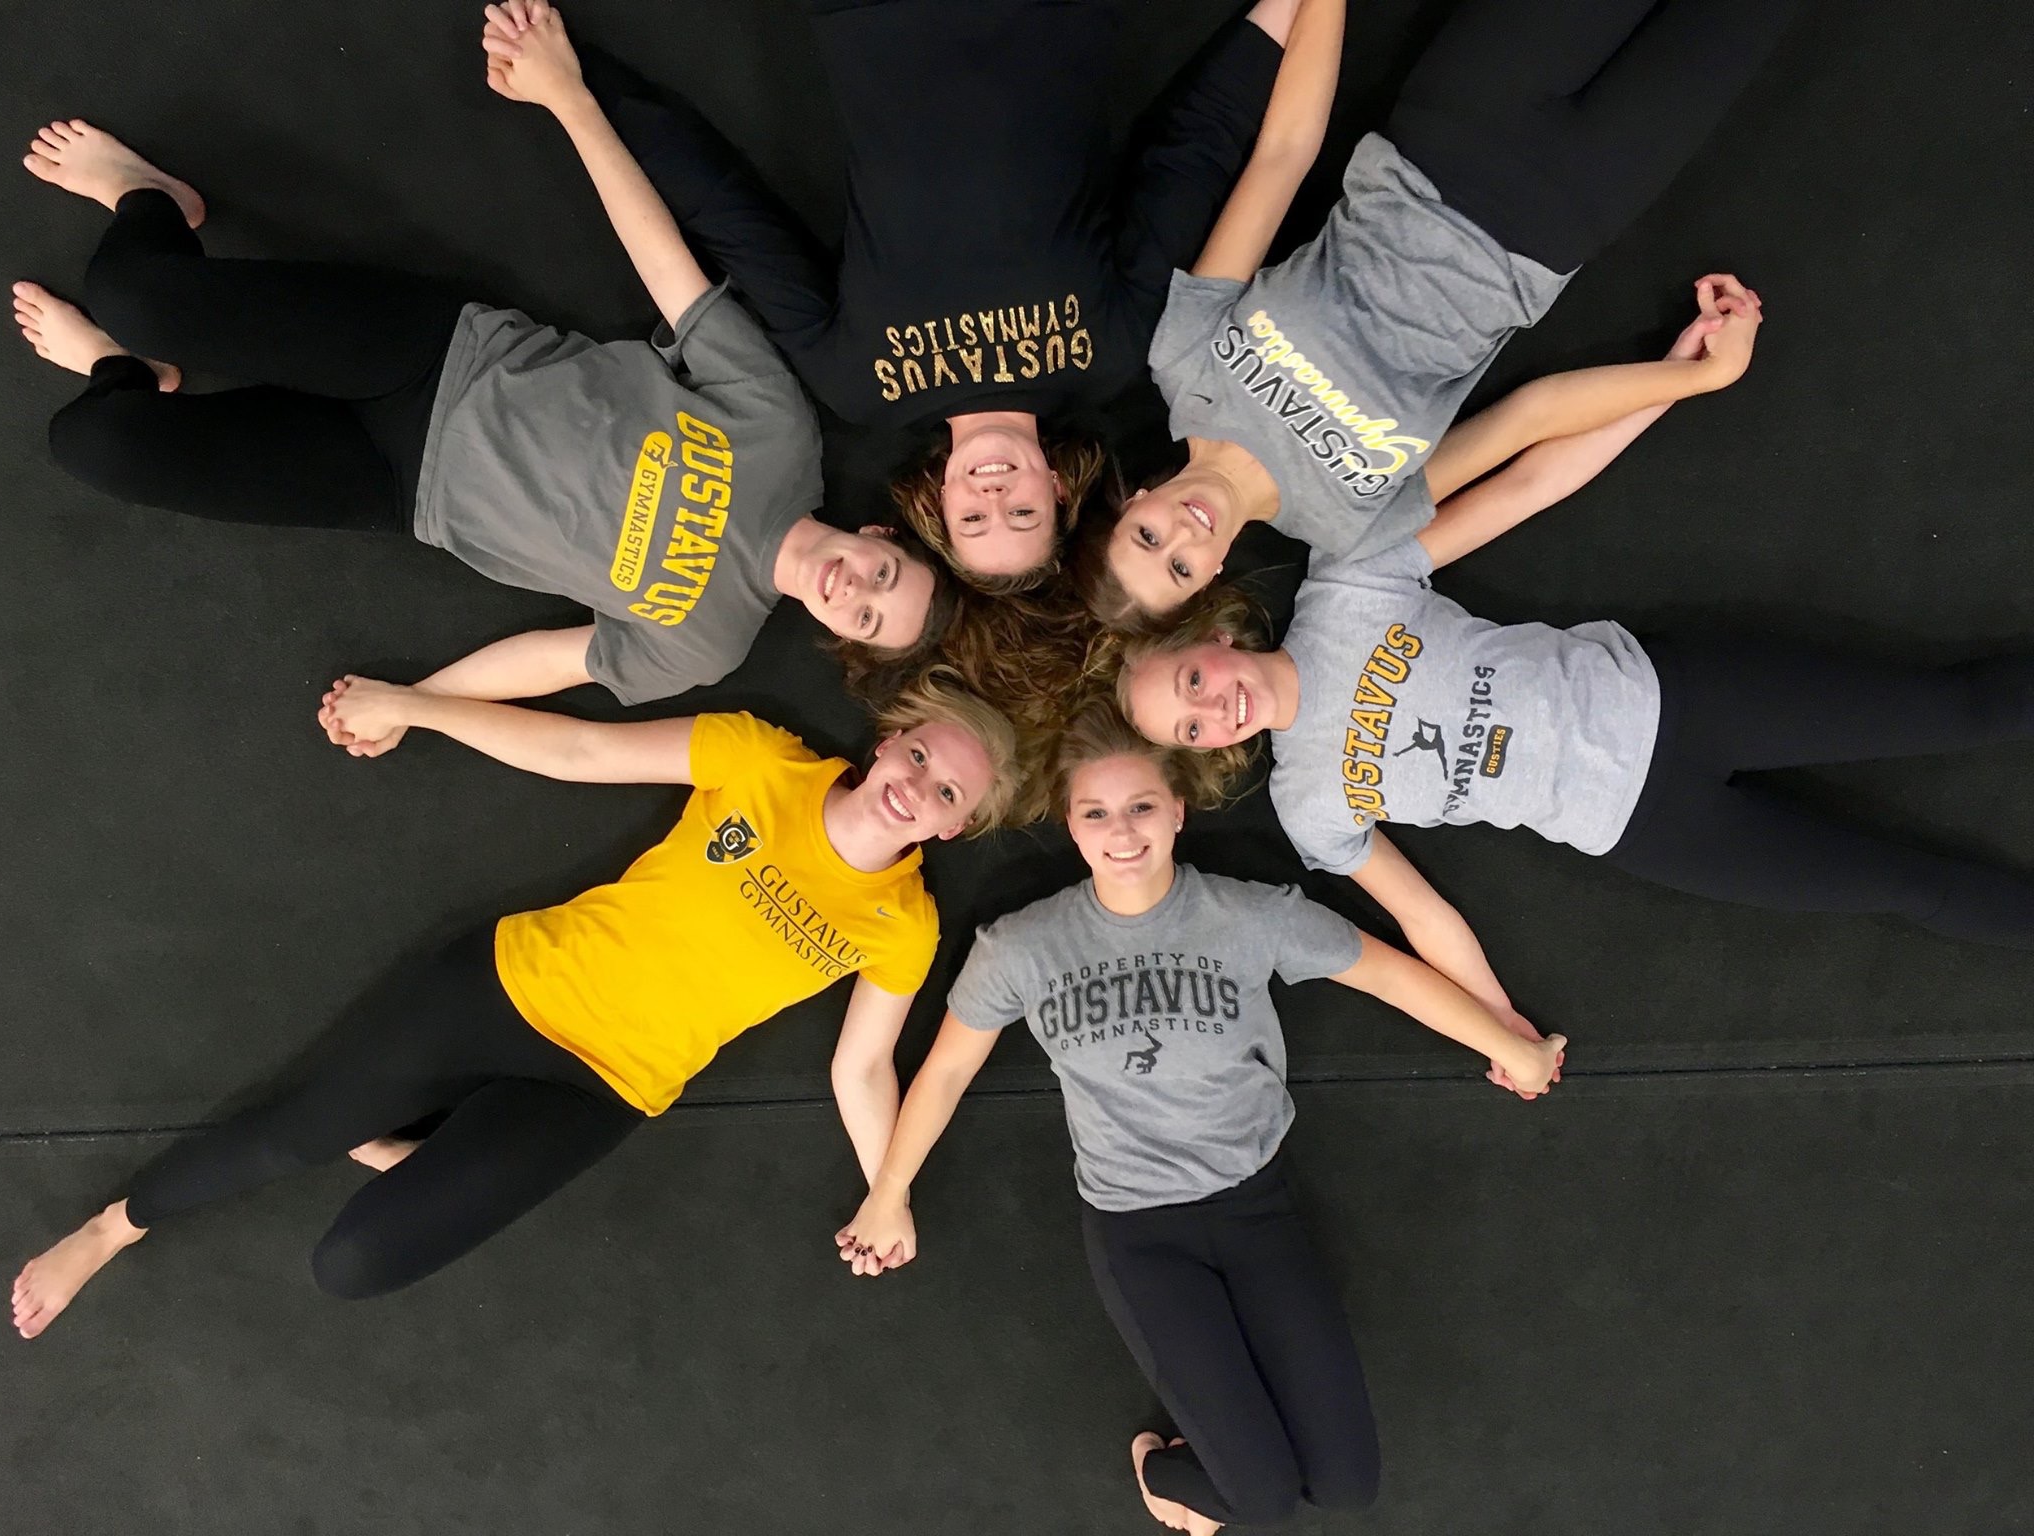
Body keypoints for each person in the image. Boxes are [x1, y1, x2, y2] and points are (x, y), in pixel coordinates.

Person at [8, 669, 1018, 1340]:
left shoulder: (904, 925)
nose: (918, 786)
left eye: (946, 795)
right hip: (503, 990)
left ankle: (396, 1141)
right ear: (891, 741)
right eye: (921, 757)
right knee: (286, 1137)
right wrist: (415, 705)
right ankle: (111, 1229)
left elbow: (861, 1066)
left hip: (602, 1090)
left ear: (955, 829)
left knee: (352, 1264)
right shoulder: (764, 759)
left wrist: (888, 1194)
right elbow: (577, 752)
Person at [11, 8, 952, 717]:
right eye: (885, 575)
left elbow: (551, 659)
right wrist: (570, 98)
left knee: (95, 443)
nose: (855, 590)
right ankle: (150, 198)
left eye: (867, 618)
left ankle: (125, 370)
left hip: (396, 491)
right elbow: (672, 273)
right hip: (437, 357)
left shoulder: (708, 645)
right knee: (135, 293)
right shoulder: (783, 438)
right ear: (880, 537)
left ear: (844, 641)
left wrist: (416, 703)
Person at [1117, 293, 2034, 996]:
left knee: (1959, 705)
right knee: (1905, 886)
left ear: (1215, 637)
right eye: (1192, 730)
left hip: (1682, 699)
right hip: (1652, 830)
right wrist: (1500, 1023)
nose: (1212, 710)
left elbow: (1529, 484)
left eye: (1192, 682)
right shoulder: (1308, 807)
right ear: (1207, 752)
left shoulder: (1345, 582)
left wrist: (1673, 379)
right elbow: (1427, 919)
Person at [834, 702, 1565, 1531]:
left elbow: (1391, 975)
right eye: (1096, 813)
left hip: (1257, 1211)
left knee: (1348, 1487)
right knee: (1261, 1502)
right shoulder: (1022, 948)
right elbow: (945, 1072)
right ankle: (1159, 1464)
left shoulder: (1251, 916)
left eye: (1141, 806)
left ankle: (1209, 1459)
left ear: (1178, 810)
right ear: (1071, 825)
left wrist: (1513, 1048)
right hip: (1141, 1236)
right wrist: (887, 1194)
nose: (1122, 832)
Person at [502, 0, 1323, 590]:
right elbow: (1189, 153)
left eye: (974, 520)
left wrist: (578, 81)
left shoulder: (859, 383)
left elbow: (726, 211)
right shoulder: (1114, 356)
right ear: (1057, 489)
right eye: (1022, 516)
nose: (995, 497)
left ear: (941, 500)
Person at [1085, 0, 1800, 622]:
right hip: (1566, 214)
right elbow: (1527, 419)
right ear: (1211, 577)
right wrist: (1698, 378)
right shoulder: (1348, 528)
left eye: (1147, 537)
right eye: (1180, 568)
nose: (1182, 536)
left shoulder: (1182, 362)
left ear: (1134, 501)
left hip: (1457, 122)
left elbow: (1282, 154)